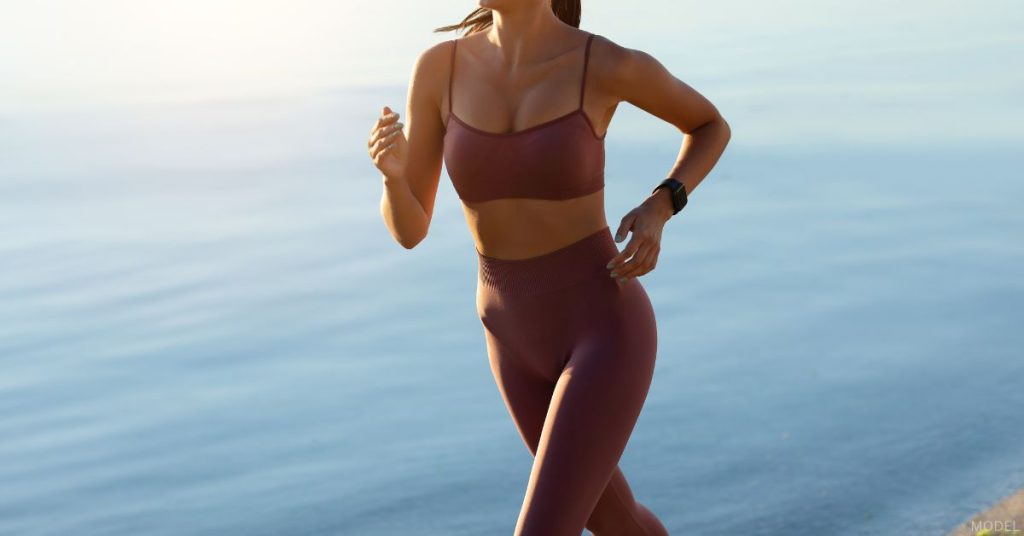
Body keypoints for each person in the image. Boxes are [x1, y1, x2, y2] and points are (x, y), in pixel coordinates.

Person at [367, 1, 730, 534]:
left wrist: (661, 205)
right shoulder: (438, 68)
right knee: (617, 523)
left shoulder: (603, 64)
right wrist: (393, 178)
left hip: (603, 329)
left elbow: (708, 124)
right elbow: (409, 230)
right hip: (509, 337)